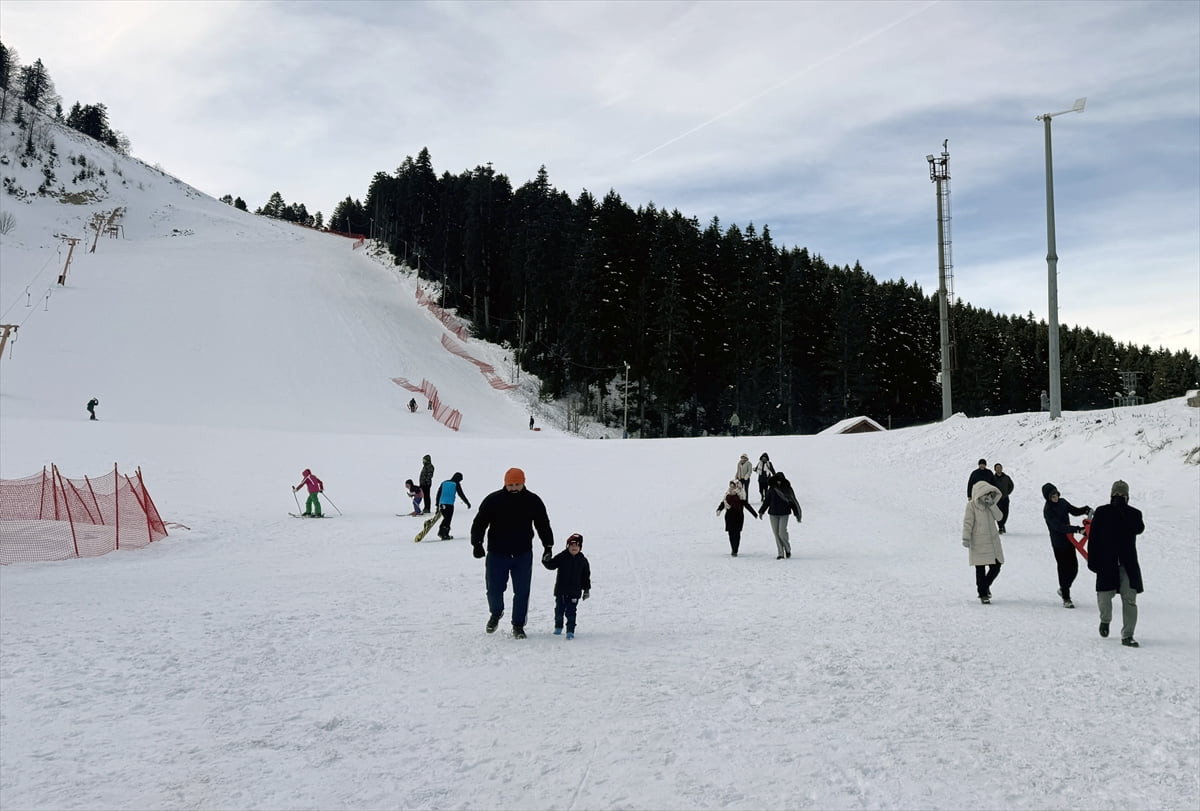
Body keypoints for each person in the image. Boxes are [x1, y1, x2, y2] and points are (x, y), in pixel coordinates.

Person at [470, 467, 554, 639]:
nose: (514, 488)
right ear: (505, 484)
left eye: (517, 484)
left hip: (522, 554)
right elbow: (479, 522)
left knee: (522, 591)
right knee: (494, 589)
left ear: (523, 483)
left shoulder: (533, 501)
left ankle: (518, 625)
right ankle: (496, 613)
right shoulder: (493, 500)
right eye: (511, 485)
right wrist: (477, 543)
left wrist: (548, 546)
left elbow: (543, 524)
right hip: (497, 554)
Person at [1087, 480, 1146, 647]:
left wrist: (1124, 512)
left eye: (1122, 495)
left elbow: (1139, 528)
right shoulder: (1102, 512)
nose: (1119, 497)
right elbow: (1094, 538)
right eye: (1116, 494)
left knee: (1130, 600)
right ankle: (1105, 620)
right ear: (1111, 495)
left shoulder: (1134, 513)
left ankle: (1128, 635)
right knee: (1104, 597)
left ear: (1127, 497)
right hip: (1106, 562)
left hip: (1128, 564)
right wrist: (1093, 561)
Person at [1041, 482, 1091, 608]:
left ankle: (1064, 588)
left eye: (1056, 494)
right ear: (1047, 498)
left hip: (1070, 541)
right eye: (1052, 496)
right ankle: (1066, 597)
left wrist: (1085, 509)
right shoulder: (1048, 510)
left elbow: (1073, 510)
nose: (1055, 497)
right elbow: (1059, 527)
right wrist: (1078, 529)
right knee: (1063, 569)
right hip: (1059, 543)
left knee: (1074, 568)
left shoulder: (1063, 502)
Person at [963, 480, 1005, 603]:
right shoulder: (971, 505)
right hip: (978, 541)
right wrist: (966, 537)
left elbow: (1000, 517)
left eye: (990, 493)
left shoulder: (991, 505)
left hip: (992, 542)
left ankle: (984, 587)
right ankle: (982, 594)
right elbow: (968, 522)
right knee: (980, 568)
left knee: (996, 566)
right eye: (986, 493)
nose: (988, 495)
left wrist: (992, 505)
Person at [542, 532, 591, 639]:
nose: (574, 548)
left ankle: (570, 631)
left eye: (577, 546)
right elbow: (552, 565)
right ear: (567, 546)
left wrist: (586, 589)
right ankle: (558, 627)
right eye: (572, 545)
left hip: (574, 592)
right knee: (559, 611)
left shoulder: (583, 561)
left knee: (571, 612)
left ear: (580, 547)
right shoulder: (562, 557)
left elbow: (585, 577)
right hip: (561, 591)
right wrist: (546, 561)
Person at [759, 471, 802, 560]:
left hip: (784, 513)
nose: (779, 482)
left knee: (782, 532)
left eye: (780, 480)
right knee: (776, 534)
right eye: (777, 480)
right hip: (773, 514)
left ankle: (787, 548)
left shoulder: (787, 489)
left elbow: (792, 501)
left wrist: (797, 514)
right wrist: (762, 511)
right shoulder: (772, 489)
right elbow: (767, 501)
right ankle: (780, 553)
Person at [716, 479, 757, 556]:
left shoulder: (741, 495)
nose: (731, 488)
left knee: (737, 533)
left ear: (737, 486)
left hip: (738, 516)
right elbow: (723, 503)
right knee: (731, 533)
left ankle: (735, 549)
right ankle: (733, 548)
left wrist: (754, 514)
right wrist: (719, 509)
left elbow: (746, 505)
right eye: (730, 486)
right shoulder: (727, 494)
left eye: (733, 486)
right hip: (729, 516)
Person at [435, 472, 470, 539]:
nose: (460, 481)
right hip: (449, 504)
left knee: (446, 518)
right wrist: (467, 502)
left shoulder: (444, 482)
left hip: (442, 504)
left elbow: (438, 493)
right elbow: (461, 494)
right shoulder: (456, 484)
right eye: (460, 479)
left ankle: (442, 532)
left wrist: (437, 504)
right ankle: (444, 534)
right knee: (448, 519)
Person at [993, 463, 1014, 534]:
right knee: (998, 513)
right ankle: (1000, 527)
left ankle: (1002, 524)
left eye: (999, 467)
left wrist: (1007, 492)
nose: (998, 469)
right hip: (997, 499)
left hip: (1005, 498)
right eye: (997, 468)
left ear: (1002, 468)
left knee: (1005, 513)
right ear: (995, 469)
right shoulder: (993, 478)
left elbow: (1011, 485)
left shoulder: (1006, 477)